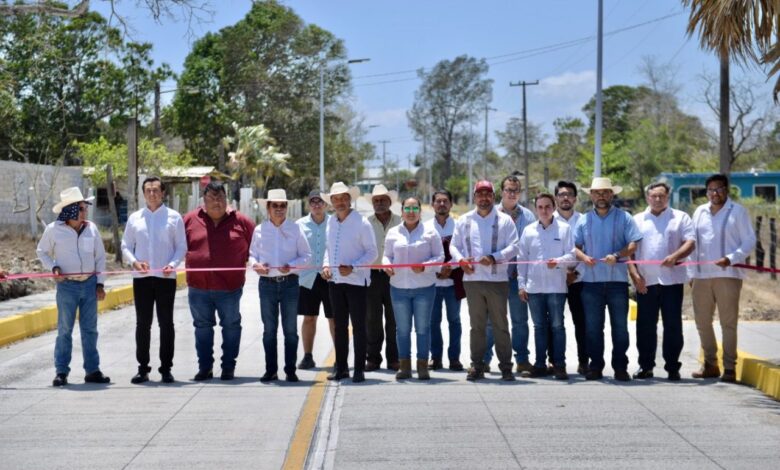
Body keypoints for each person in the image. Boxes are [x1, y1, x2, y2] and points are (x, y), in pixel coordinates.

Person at [37, 187, 110, 386]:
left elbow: (100, 257)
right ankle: (61, 372)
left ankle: (92, 370)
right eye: (81, 207)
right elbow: (42, 252)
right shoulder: (53, 230)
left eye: (84, 207)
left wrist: (100, 284)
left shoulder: (92, 229)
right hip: (66, 287)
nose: (85, 211)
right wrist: (53, 267)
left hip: (89, 285)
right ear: (69, 210)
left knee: (90, 330)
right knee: (65, 329)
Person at [184, 181, 254, 381]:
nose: (217, 202)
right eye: (212, 198)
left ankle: (228, 367)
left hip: (229, 288)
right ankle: (204, 367)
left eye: (220, 198)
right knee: (202, 328)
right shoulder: (189, 220)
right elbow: (176, 246)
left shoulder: (242, 222)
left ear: (227, 200)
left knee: (231, 326)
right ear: (203, 201)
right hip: (199, 287)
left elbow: (257, 249)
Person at [450, 180, 520, 381]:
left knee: (500, 325)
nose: (483, 198)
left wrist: (494, 257)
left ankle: (506, 366)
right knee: (477, 326)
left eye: (487, 194)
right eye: (480, 194)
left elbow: (515, 246)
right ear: (474, 197)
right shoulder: (464, 220)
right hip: (472, 280)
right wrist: (460, 260)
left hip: (497, 280)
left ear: (493, 196)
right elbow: (454, 246)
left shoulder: (505, 220)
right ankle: (477, 365)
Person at [574, 177, 642, 382]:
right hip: (591, 284)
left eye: (605, 192)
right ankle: (595, 367)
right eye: (597, 192)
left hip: (617, 284)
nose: (601, 196)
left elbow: (634, 244)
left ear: (612, 194)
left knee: (620, 328)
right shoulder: (583, 220)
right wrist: (584, 257)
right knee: (593, 329)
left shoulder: (624, 218)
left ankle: (620, 367)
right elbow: (575, 246)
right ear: (591, 195)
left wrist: (618, 255)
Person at [689, 174, 756, 383]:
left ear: (726, 190)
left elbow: (749, 241)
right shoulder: (699, 211)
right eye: (710, 190)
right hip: (701, 276)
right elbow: (692, 242)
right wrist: (691, 273)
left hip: (728, 275)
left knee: (728, 323)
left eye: (718, 189)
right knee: (702, 322)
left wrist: (731, 258)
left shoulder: (737, 212)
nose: (714, 193)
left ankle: (729, 368)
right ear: (706, 192)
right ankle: (710, 364)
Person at [121, 176, 186, 384]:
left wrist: (173, 265)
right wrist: (134, 262)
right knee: (143, 324)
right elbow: (125, 246)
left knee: (166, 324)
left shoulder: (174, 217)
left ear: (163, 193)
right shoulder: (135, 218)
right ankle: (143, 368)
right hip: (142, 278)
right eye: (148, 190)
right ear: (143, 193)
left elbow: (181, 247)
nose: (152, 194)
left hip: (165, 278)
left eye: (156, 190)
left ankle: (166, 369)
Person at [628, 182, 695, 381]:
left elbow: (690, 242)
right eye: (653, 196)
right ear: (647, 197)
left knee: (673, 325)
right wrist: (635, 276)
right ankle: (646, 366)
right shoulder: (637, 219)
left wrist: (675, 256)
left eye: (661, 196)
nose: (657, 199)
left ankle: (673, 367)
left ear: (667, 197)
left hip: (672, 281)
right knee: (645, 326)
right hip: (645, 282)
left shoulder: (680, 217)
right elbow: (629, 251)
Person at [250, 189, 311, 383]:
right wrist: (256, 265)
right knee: (269, 330)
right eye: (275, 205)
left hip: (290, 284)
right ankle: (271, 370)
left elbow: (307, 256)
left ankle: (290, 370)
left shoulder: (295, 228)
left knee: (290, 330)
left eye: (282, 205)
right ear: (268, 208)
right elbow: (252, 255)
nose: (279, 209)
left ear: (287, 208)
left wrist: (291, 267)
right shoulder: (259, 230)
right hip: (266, 284)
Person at [321, 182, 378, 383]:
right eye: (336, 199)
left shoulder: (362, 223)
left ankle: (359, 369)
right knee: (340, 327)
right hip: (335, 282)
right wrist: (326, 266)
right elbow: (328, 249)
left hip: (356, 282)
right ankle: (342, 368)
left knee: (359, 326)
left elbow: (373, 252)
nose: (340, 202)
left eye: (343, 198)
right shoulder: (331, 222)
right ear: (332, 202)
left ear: (349, 199)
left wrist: (353, 267)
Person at [383, 196, 444, 380]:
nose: (411, 213)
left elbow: (440, 257)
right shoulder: (393, 232)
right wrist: (387, 265)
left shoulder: (431, 232)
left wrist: (425, 266)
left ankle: (422, 366)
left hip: (424, 288)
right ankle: (405, 366)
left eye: (414, 209)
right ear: (401, 211)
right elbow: (386, 255)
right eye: (407, 209)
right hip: (398, 288)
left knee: (423, 328)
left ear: (420, 211)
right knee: (402, 329)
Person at [518, 193, 576, 380]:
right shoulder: (528, 231)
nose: (544, 210)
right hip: (534, 288)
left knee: (558, 326)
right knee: (539, 327)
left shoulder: (565, 229)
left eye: (548, 206)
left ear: (554, 207)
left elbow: (572, 256)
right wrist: (521, 285)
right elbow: (522, 260)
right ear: (536, 209)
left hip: (556, 288)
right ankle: (540, 364)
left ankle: (559, 365)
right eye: (540, 207)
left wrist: (558, 262)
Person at [485, 174, 537, 373]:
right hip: (495, 277)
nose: (512, 193)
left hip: (518, 279)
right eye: (508, 190)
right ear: (502, 191)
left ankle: (522, 360)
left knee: (520, 321)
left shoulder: (529, 216)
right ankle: (484, 359)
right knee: (491, 322)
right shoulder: (490, 214)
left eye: (516, 190)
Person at [425, 189, 465, 371]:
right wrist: (436, 269)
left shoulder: (459, 226)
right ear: (433, 204)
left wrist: (450, 268)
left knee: (454, 321)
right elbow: (423, 254)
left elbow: (464, 252)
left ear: (451, 204)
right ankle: (436, 357)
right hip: (431, 283)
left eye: (445, 201)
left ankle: (454, 358)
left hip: (453, 284)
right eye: (438, 201)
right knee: (433, 322)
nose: (442, 204)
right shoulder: (425, 227)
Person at [296, 189, 335, 370]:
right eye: (313, 201)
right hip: (308, 278)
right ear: (308, 204)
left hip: (330, 278)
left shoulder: (335, 223)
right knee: (309, 318)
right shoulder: (299, 225)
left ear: (326, 204)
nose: (317, 205)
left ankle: (339, 357)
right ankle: (307, 356)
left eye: (320, 202)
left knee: (334, 318)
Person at [365, 184, 402, 371]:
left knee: (394, 319)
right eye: (376, 201)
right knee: (372, 319)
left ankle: (394, 358)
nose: (379, 203)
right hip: (371, 276)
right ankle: (373, 358)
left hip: (394, 276)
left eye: (383, 200)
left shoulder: (401, 222)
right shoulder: (365, 223)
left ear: (390, 202)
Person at [553, 181, 588, 375]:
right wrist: (563, 272)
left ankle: (584, 361)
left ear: (575, 198)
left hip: (579, 281)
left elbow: (588, 250)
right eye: (561, 194)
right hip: (555, 280)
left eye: (569, 195)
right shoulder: (548, 221)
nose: (565, 198)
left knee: (581, 322)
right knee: (555, 324)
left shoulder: (583, 220)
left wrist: (575, 274)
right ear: (556, 198)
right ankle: (555, 362)